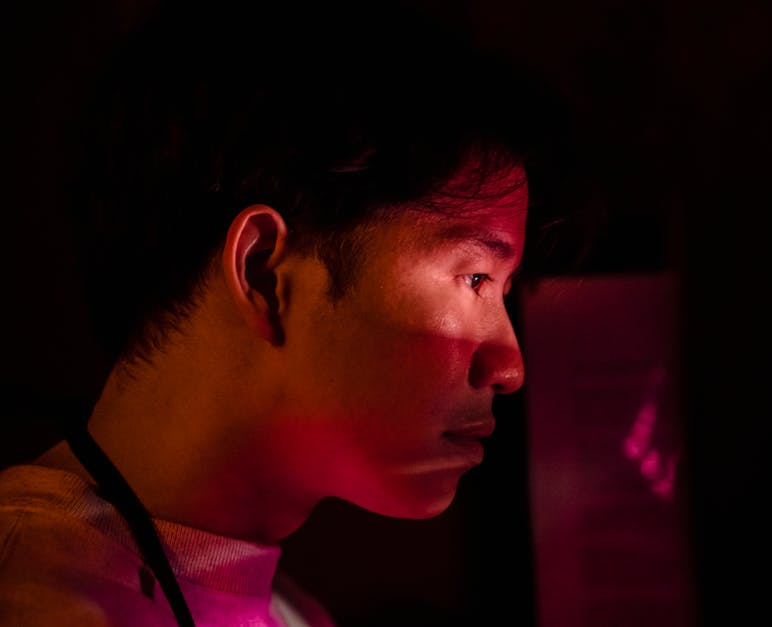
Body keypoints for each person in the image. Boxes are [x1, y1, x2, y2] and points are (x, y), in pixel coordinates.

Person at [0, 0, 565, 624]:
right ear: (264, 274)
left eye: (501, 291)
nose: (510, 367)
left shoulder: (286, 607)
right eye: (475, 278)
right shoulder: (36, 601)